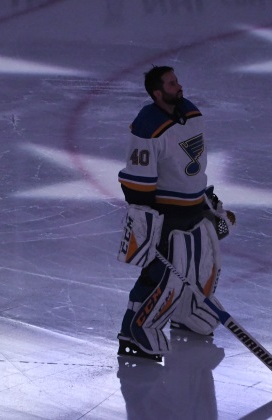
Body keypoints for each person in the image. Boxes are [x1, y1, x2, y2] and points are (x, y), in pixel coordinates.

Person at [116, 65, 234, 360]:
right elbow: (137, 181)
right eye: (171, 83)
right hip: (168, 212)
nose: (178, 86)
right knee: (163, 274)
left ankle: (189, 312)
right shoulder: (147, 125)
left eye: (177, 80)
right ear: (157, 93)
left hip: (195, 206)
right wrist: (146, 222)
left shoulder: (191, 113)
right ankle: (136, 328)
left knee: (204, 265)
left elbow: (194, 167)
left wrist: (209, 198)